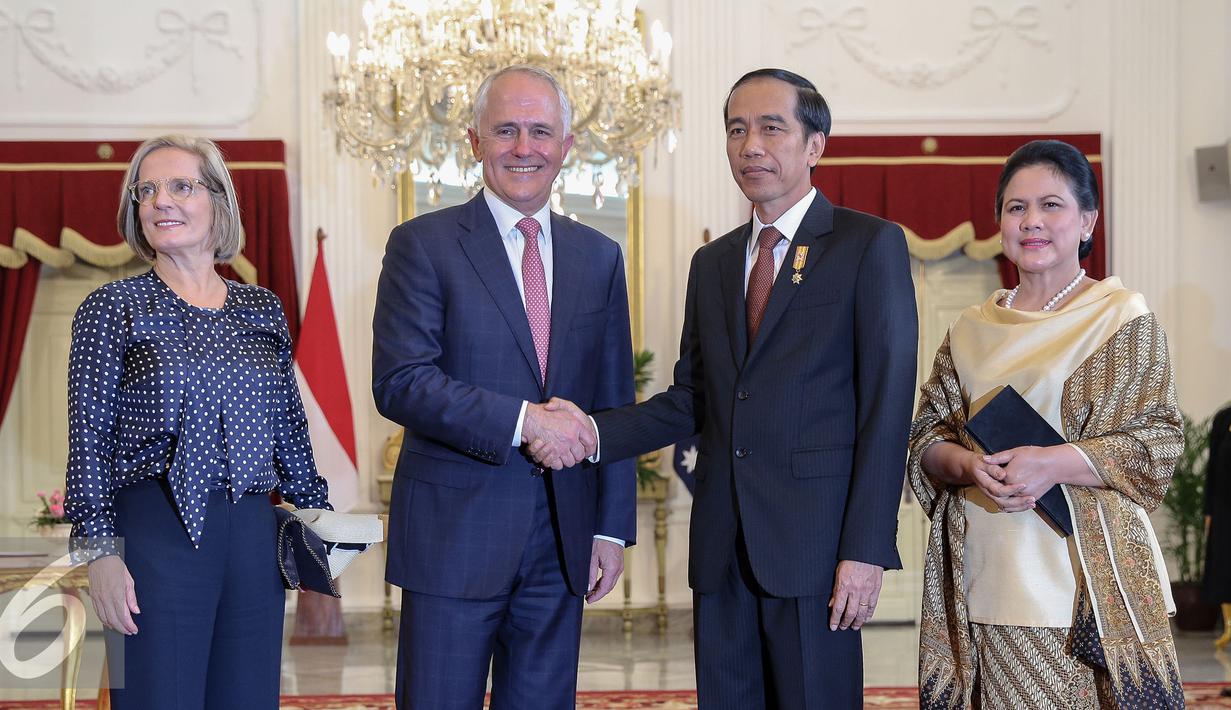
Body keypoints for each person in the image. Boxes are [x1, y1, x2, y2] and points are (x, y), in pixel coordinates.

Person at [534, 68, 919, 709]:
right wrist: (592, 430)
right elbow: (694, 398)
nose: (751, 146)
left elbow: (886, 410)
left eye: (772, 128)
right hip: (721, 548)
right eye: (737, 130)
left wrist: (867, 549)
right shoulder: (712, 264)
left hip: (815, 551)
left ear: (815, 144)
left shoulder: (868, 246)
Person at [371, 65, 636, 710]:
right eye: (506, 130)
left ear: (566, 147)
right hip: (452, 538)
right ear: (474, 140)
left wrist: (611, 527)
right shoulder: (422, 245)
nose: (525, 148)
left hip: (562, 542)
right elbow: (401, 382)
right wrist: (524, 421)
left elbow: (613, 401)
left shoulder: (598, 256)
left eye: (541, 132)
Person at [907, 139, 1184, 709]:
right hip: (980, 572)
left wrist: (1048, 463)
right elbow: (925, 437)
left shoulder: (1118, 316)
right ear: (999, 223)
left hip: (1081, 582)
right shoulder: (970, 327)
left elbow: (1157, 441)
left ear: (1087, 220)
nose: (1032, 221)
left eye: (1051, 205)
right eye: (1016, 208)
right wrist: (966, 464)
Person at [64, 135, 331, 709]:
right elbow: (87, 441)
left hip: (254, 538)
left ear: (219, 202)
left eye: (180, 186)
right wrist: (101, 554)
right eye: (147, 191)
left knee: (248, 699)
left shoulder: (263, 308)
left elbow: (289, 428)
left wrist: (319, 528)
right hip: (154, 532)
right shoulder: (111, 309)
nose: (161, 201)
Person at [1204, 404, 1231, 652]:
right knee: (1224, 567)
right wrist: (1208, 511)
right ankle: (1229, 626)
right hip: (1225, 509)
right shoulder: (1224, 418)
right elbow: (1212, 468)